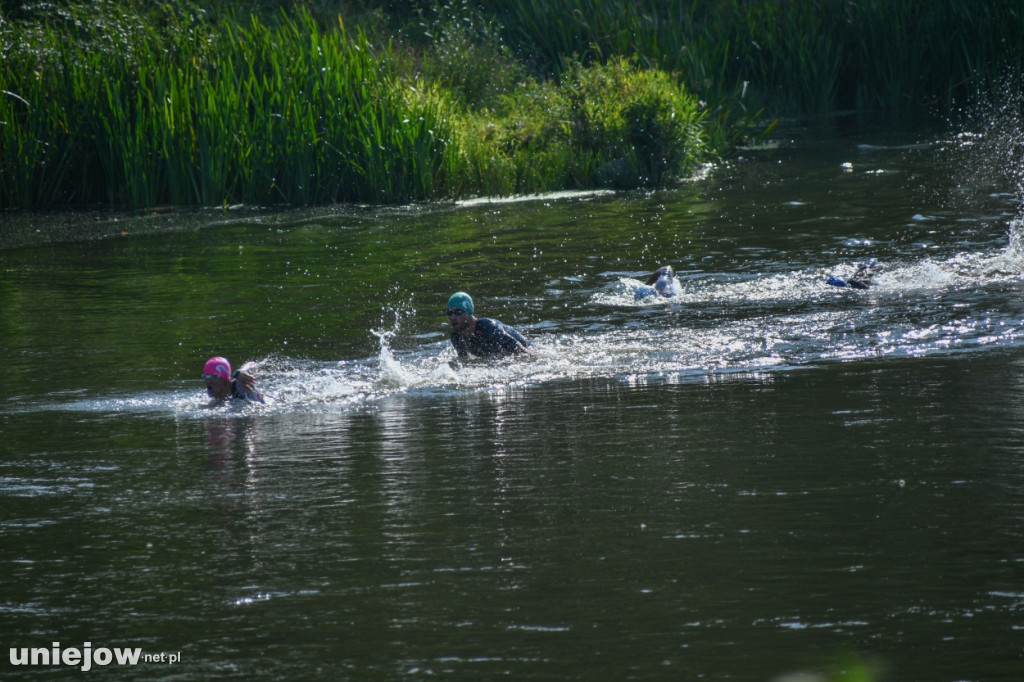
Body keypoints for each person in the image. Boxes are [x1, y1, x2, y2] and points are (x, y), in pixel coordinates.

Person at [446, 291, 529, 359]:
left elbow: (522, 351)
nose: (452, 317)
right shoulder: (456, 337)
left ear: (469, 313)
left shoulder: (489, 327)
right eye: (449, 312)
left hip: (527, 347)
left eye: (458, 312)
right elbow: (465, 361)